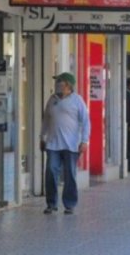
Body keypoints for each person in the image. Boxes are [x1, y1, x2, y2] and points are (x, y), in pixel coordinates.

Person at [40, 72, 90, 215]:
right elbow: (46, 120)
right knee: (50, 171)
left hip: (71, 145)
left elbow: (86, 122)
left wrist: (84, 141)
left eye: (59, 82)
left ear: (67, 85)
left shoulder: (77, 100)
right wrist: (42, 137)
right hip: (52, 144)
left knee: (69, 175)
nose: (57, 85)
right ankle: (51, 203)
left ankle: (69, 204)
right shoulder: (52, 99)